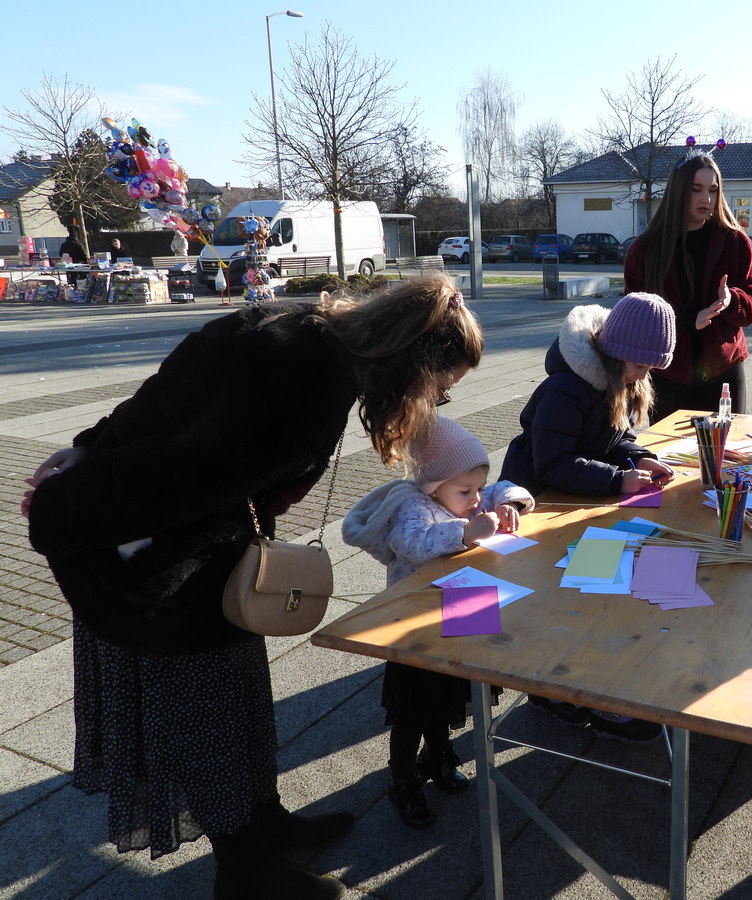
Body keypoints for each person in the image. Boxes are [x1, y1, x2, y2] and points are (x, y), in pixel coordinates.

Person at [23, 275, 484, 900]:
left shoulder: (299, 326)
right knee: (208, 723)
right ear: (411, 364)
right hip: (152, 573)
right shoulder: (309, 387)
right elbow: (179, 475)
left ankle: (265, 824)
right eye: (439, 390)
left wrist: (87, 449)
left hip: (190, 559)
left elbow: (163, 401)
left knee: (240, 705)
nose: (433, 404)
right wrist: (65, 504)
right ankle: (246, 872)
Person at [341, 416, 534, 828]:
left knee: (454, 690)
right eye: (466, 491)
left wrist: (509, 503)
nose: (475, 498)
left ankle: (438, 754)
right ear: (433, 486)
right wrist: (464, 534)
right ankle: (404, 777)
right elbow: (412, 543)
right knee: (415, 706)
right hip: (418, 625)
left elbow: (503, 486)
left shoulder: (468, 496)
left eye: (477, 489)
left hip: (463, 607)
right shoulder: (413, 507)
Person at [500, 291, 676, 742]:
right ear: (615, 353)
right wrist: (618, 481)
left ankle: (593, 684)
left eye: (651, 369)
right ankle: (546, 688)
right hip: (537, 504)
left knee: (595, 591)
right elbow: (551, 464)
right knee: (551, 596)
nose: (643, 376)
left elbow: (615, 437)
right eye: (640, 367)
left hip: (578, 499)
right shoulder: (566, 388)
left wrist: (640, 457)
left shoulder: (616, 378)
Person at [623, 150, 752, 422]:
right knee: (670, 459)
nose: (706, 199)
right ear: (678, 192)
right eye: (696, 189)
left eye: (713, 190)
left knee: (724, 457)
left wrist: (731, 300)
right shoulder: (646, 249)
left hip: (724, 372)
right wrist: (688, 321)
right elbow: (636, 317)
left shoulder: (735, 242)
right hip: (668, 374)